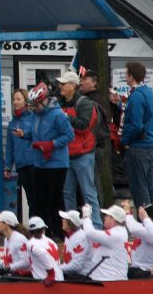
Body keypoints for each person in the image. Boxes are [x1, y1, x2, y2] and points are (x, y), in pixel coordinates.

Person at [19, 83, 73, 241]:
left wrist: (51, 145)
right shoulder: (37, 115)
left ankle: (58, 233)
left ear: (44, 101)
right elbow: (37, 135)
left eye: (36, 105)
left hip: (56, 164)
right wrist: (25, 134)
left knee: (54, 200)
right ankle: (42, 233)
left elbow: (69, 136)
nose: (34, 108)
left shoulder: (58, 115)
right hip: (39, 163)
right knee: (39, 200)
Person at [56, 71, 99, 212]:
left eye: (63, 83)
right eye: (60, 83)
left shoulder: (84, 103)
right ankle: (71, 228)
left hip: (83, 154)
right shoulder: (59, 103)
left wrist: (66, 117)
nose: (60, 85)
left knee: (88, 193)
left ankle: (96, 227)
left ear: (73, 85)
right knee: (67, 193)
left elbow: (84, 126)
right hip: (66, 154)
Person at [121, 61, 153, 207]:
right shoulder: (148, 92)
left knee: (139, 186)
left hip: (139, 145)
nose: (125, 76)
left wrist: (124, 140)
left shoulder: (136, 96)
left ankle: (145, 220)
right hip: (151, 144)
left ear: (131, 76)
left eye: (126, 73)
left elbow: (136, 124)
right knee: (150, 185)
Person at [4, 89, 36, 214]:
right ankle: (34, 227)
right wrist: (7, 166)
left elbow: (38, 135)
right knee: (30, 198)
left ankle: (40, 227)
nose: (15, 102)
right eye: (14, 100)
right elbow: (9, 147)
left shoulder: (34, 118)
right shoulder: (12, 123)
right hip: (21, 164)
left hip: (34, 162)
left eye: (18, 99)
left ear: (26, 101)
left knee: (37, 196)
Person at [80, 203, 129, 281]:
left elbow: (89, 233)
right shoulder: (119, 232)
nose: (104, 217)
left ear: (113, 219)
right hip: (108, 278)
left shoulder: (116, 234)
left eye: (107, 216)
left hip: (111, 280)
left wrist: (86, 216)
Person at [123, 201, 153, 278]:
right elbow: (136, 227)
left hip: (148, 272)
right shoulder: (145, 228)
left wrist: (127, 212)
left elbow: (133, 228)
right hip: (136, 269)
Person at [26, 216, 63, 285]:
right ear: (44, 229)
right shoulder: (51, 241)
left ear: (29, 231)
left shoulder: (31, 243)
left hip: (47, 283)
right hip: (60, 279)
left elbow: (42, 253)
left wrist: (51, 273)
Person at [0, 210, 31, 276]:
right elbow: (9, 260)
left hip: (21, 277)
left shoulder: (20, 239)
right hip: (12, 275)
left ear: (6, 224)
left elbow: (27, 262)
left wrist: (9, 268)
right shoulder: (6, 239)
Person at [58, 209, 91, 280]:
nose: (62, 220)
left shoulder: (81, 237)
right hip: (73, 274)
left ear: (71, 223)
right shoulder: (68, 236)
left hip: (82, 277)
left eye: (65, 219)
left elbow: (76, 266)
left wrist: (56, 268)